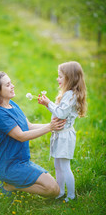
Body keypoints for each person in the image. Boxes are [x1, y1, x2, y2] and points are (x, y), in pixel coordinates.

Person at [0, 71, 66, 197]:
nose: (13, 86)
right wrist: (49, 127)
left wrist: (55, 125)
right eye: (8, 85)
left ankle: (13, 185)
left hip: (23, 161)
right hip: (10, 166)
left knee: (54, 189)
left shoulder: (12, 105)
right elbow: (20, 136)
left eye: (11, 83)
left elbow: (29, 126)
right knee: (53, 190)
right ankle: (10, 185)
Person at [38, 61, 87, 202]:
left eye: (60, 77)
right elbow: (59, 112)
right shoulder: (68, 94)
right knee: (57, 165)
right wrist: (48, 104)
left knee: (65, 166)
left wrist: (48, 104)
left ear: (69, 78)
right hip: (60, 134)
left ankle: (71, 195)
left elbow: (60, 113)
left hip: (65, 136)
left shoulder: (70, 96)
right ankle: (60, 191)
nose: (57, 79)